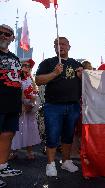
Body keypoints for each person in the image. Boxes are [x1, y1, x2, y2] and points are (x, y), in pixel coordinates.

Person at [35, 37, 83, 177]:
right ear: (54, 47)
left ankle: (66, 161)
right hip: (53, 106)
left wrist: (82, 76)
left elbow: (87, 83)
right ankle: (50, 164)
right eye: (57, 44)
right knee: (52, 135)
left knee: (68, 136)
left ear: (69, 46)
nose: (60, 46)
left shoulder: (76, 64)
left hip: (73, 105)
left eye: (63, 44)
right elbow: (38, 80)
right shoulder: (47, 62)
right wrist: (54, 73)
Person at [0, 24, 22, 188]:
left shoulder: (15, 58)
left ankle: (2, 166)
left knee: (8, 135)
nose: (3, 36)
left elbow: (19, 81)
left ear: (12, 38)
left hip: (12, 103)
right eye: (0, 33)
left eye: (7, 34)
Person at [11, 59, 41, 160]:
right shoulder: (16, 78)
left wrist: (32, 103)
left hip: (29, 109)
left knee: (30, 129)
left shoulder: (31, 79)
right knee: (16, 130)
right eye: (24, 65)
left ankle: (29, 151)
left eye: (28, 66)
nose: (26, 67)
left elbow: (35, 92)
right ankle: (12, 151)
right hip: (20, 108)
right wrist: (22, 103)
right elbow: (15, 93)